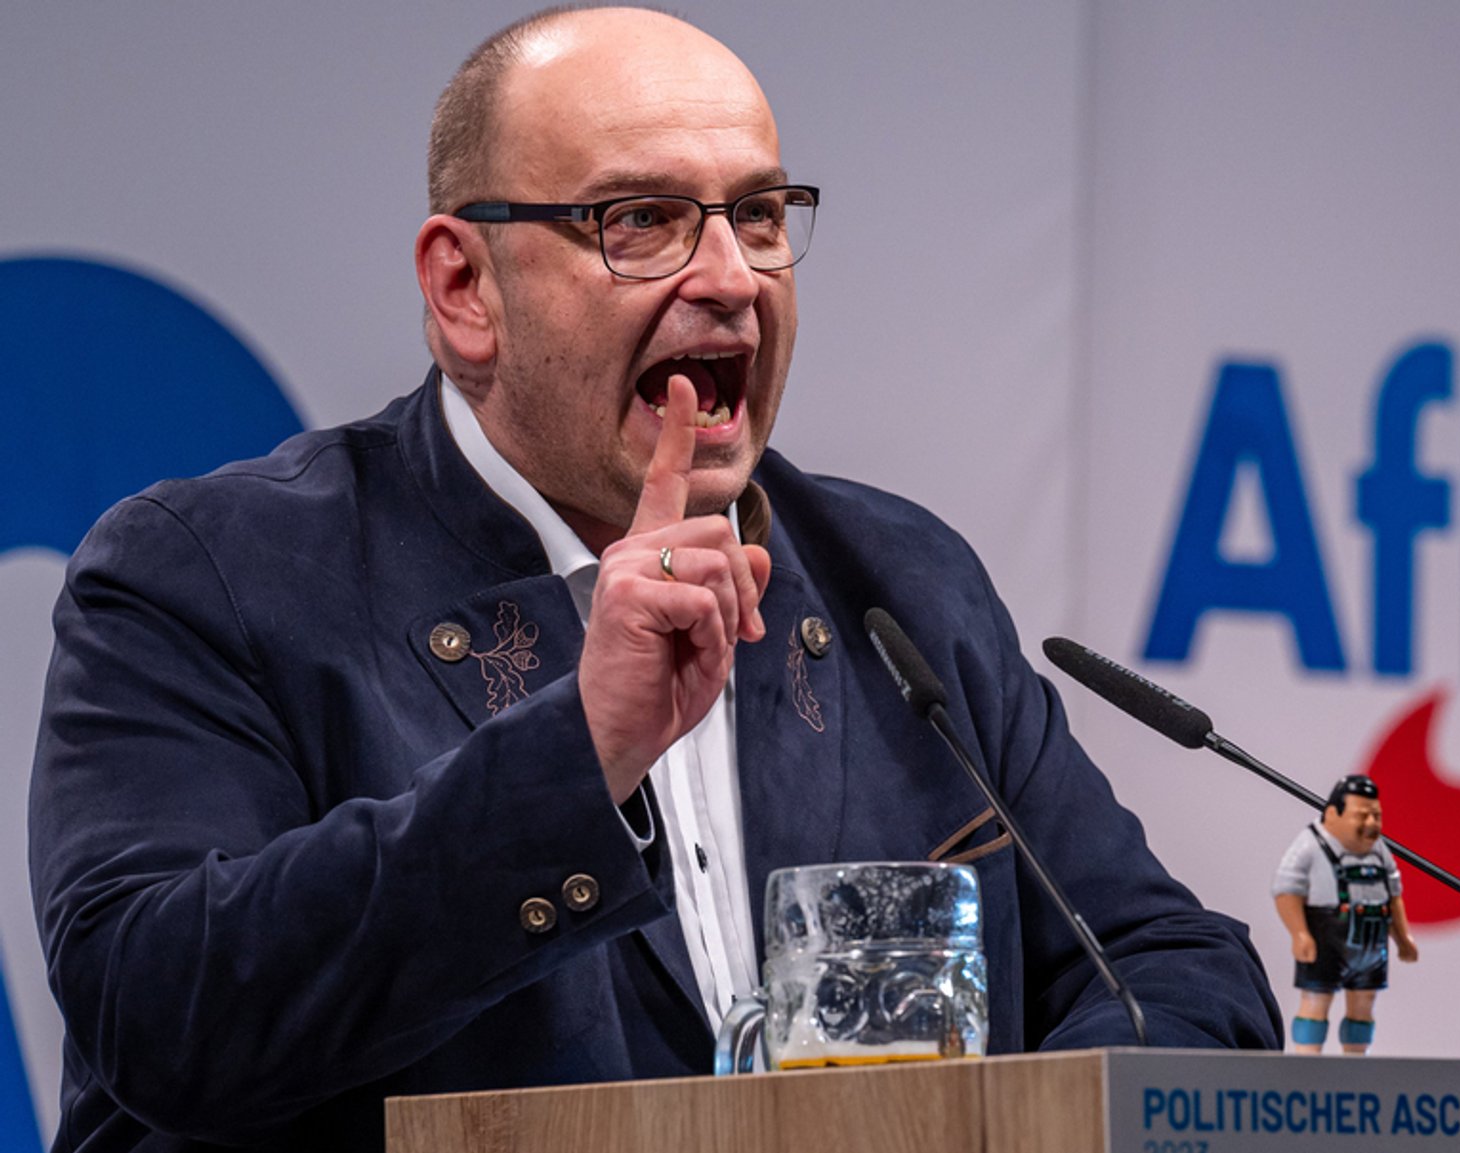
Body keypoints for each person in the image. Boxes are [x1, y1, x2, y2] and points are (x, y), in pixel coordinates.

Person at [28, 9, 1279, 1150]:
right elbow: (156, 1008)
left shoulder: (895, 583)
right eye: (638, 221)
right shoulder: (217, 576)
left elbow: (1174, 970)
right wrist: (579, 752)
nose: (729, 276)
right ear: (466, 289)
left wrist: (1006, 1128)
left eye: (760, 214)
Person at [1271, 775, 1419, 1054]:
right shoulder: (1310, 846)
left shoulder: (1379, 850)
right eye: (1362, 816)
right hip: (1327, 937)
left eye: (1376, 816)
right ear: (1332, 814)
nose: (1371, 824)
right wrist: (1299, 933)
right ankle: (1307, 1067)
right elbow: (1287, 891)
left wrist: (1402, 937)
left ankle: (1354, 1067)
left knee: (1364, 1004)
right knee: (1317, 1001)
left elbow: (1393, 896)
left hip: (1372, 940)